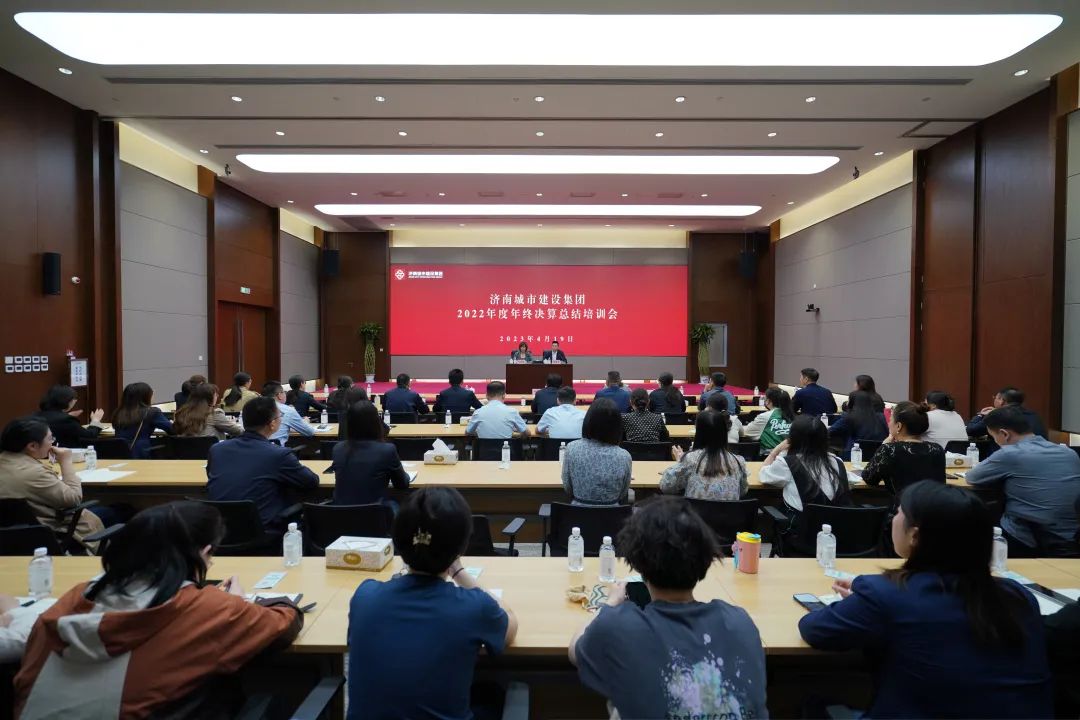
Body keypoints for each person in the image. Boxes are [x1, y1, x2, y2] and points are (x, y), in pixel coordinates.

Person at [14, 501, 303, 718]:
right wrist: (239, 604)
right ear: (203, 553)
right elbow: (284, 623)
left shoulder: (75, 598)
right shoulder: (208, 608)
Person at [798, 481, 1052, 719]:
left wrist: (863, 604)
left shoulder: (885, 595)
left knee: (809, 700)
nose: (893, 519)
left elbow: (815, 629)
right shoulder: (1018, 596)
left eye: (898, 512)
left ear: (915, 536)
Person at [569, 497, 767, 719]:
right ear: (706, 558)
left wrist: (608, 603)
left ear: (637, 564)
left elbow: (576, 649)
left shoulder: (617, 627)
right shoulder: (740, 623)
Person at [348, 487, 517, 720]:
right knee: (493, 693)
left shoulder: (365, 597)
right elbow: (509, 625)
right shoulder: (475, 608)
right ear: (461, 547)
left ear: (398, 542)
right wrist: (458, 571)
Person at [966, 406, 1080, 556]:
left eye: (993, 437)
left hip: (1026, 537)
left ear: (1004, 434)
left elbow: (972, 477)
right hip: (1072, 536)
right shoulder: (1068, 453)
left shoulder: (1010, 453)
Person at [206, 397, 320, 533]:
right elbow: (311, 481)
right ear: (272, 424)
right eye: (280, 415)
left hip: (219, 531)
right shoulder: (278, 455)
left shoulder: (217, 449)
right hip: (262, 531)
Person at [0, 417, 104, 547]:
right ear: (32, 446)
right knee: (114, 512)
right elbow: (73, 499)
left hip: (9, 538)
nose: (53, 443)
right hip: (47, 535)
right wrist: (66, 461)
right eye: (50, 439)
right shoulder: (35, 473)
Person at [759, 415, 855, 515]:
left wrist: (775, 451)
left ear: (792, 439)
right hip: (839, 523)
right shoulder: (838, 462)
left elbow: (763, 475)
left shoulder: (787, 464)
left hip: (802, 523)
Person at [861, 401, 945, 502]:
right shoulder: (937, 449)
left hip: (903, 509)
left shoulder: (889, 450)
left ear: (898, 426)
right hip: (934, 509)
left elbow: (869, 478)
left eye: (890, 420)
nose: (888, 423)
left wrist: (884, 445)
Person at [331, 401, 410, 507]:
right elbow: (401, 484)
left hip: (340, 513)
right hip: (375, 514)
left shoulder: (338, 449)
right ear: (377, 423)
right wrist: (406, 475)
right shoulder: (387, 450)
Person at [660, 409, 748, 501]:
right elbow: (743, 491)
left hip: (695, 510)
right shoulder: (738, 461)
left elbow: (666, 487)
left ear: (698, 433)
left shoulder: (690, 459)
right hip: (730, 510)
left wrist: (680, 462)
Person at [562, 398, 632, 506]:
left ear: (588, 421)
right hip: (613, 514)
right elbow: (622, 493)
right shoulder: (624, 456)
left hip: (578, 513)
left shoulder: (572, 449)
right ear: (617, 426)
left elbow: (568, 487)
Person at [112, 382, 173, 459]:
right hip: (142, 454)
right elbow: (172, 430)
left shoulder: (118, 412)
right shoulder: (152, 412)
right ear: (145, 397)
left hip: (119, 454)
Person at [34, 384, 105, 448]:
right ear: (66, 400)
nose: (75, 401)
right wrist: (95, 420)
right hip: (63, 454)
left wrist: (66, 415)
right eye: (73, 399)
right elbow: (89, 436)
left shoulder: (35, 416)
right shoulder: (66, 420)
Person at [967, 386, 1049, 440]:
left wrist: (981, 415)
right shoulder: (1033, 415)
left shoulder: (998, 415)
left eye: (995, 398)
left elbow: (971, 431)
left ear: (1001, 401)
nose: (994, 400)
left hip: (1007, 458)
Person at [828, 389, 888, 460]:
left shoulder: (850, 417)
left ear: (851, 403)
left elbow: (829, 431)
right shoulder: (881, 416)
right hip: (879, 457)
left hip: (853, 458)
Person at [172, 383, 243, 440]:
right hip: (210, 452)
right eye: (215, 394)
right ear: (209, 398)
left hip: (185, 452)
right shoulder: (214, 413)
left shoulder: (181, 413)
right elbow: (238, 431)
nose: (218, 396)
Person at [743, 387, 794, 456]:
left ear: (768, 401)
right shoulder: (794, 416)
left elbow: (748, 432)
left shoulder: (765, 416)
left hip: (770, 456)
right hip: (791, 456)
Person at [262, 381, 315, 446]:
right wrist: (306, 421)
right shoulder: (288, 410)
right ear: (279, 395)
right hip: (276, 450)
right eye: (284, 392)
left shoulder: (254, 407)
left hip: (254, 449)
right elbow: (310, 432)